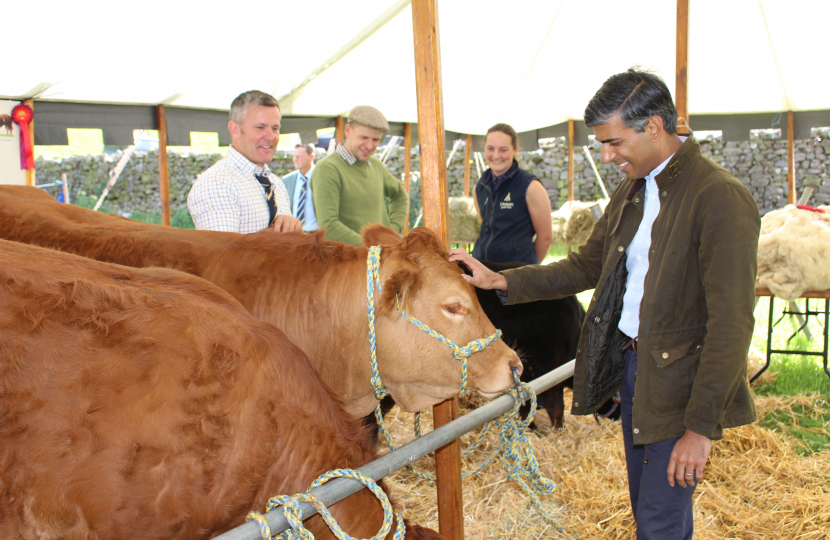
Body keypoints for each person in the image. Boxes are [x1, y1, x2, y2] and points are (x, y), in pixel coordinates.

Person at [449, 69, 760, 539]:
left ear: (654, 126)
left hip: (680, 382)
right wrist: (500, 280)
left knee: (658, 520)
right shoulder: (635, 188)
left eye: (614, 142)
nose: (607, 155)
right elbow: (584, 266)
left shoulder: (719, 197)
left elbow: (731, 326)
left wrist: (700, 429)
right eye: (602, 144)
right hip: (633, 369)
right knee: (654, 510)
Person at [187, 90, 301, 234]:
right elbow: (222, 253)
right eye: (260, 127)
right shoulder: (217, 182)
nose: (271, 136)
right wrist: (275, 236)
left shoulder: (275, 183)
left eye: (275, 128)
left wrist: (294, 231)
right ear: (235, 130)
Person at [311, 105, 408, 245]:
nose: (369, 146)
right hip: (348, 262)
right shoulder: (327, 169)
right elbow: (329, 226)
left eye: (375, 140)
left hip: (378, 258)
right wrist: (373, 247)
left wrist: (392, 232)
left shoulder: (376, 165)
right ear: (348, 130)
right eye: (364, 137)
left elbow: (400, 195)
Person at [471, 123, 553, 264]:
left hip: (515, 276)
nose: (496, 156)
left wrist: (527, 270)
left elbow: (546, 238)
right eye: (490, 149)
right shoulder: (479, 188)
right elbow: (485, 226)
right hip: (482, 269)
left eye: (503, 150)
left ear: (515, 149)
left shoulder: (531, 187)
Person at [282, 143, 318, 232]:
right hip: (293, 235)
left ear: (311, 157)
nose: (295, 159)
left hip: (316, 235)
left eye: (299, 156)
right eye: (294, 156)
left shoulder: (321, 178)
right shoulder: (287, 180)